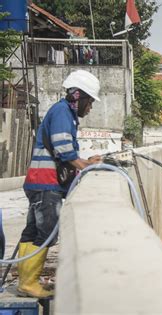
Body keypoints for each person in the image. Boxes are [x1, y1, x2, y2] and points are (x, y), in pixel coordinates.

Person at [17, 70, 102, 298]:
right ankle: (29, 283)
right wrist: (85, 166)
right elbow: (63, 148)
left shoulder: (63, 112)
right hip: (46, 184)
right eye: (90, 102)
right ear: (78, 96)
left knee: (33, 231)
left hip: (39, 182)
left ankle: (26, 281)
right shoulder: (63, 111)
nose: (90, 107)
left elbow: (64, 153)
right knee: (46, 232)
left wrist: (85, 161)